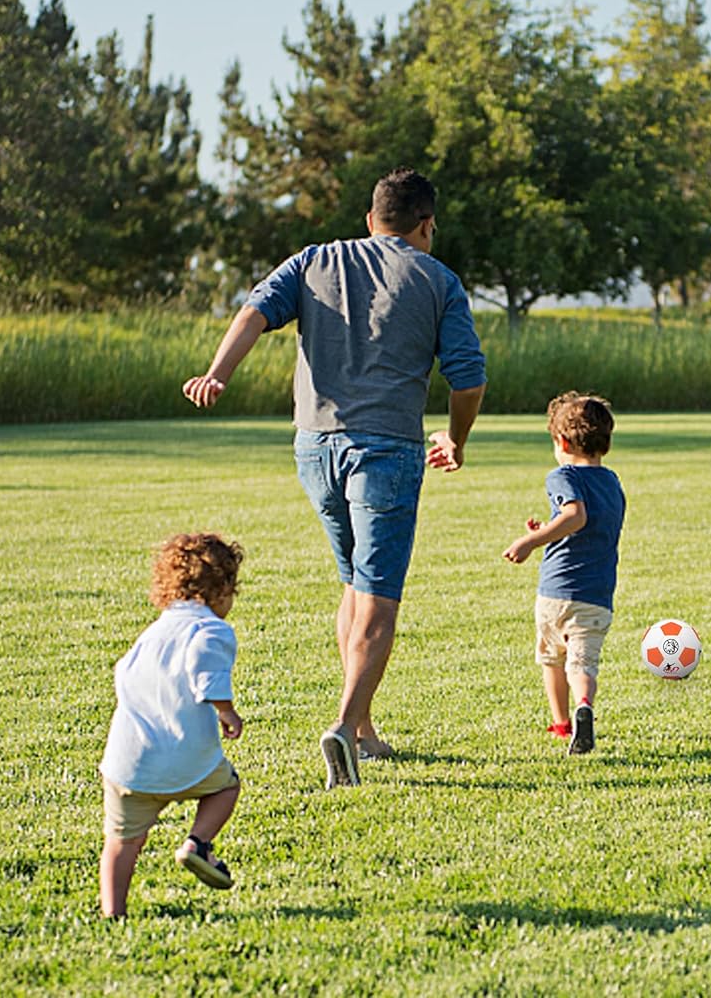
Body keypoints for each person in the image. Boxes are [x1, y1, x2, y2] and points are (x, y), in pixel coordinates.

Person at [183, 167, 486, 789]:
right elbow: (468, 378)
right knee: (378, 594)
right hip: (387, 450)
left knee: (352, 583)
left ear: (371, 220)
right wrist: (455, 439)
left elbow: (253, 313)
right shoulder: (438, 280)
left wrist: (217, 374)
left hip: (314, 447)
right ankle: (345, 728)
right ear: (427, 224)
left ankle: (364, 729)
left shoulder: (314, 260)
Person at [98, 533, 245, 918]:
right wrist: (226, 710)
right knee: (226, 788)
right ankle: (198, 843)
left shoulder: (152, 634)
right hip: (187, 758)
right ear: (222, 590)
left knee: (121, 841)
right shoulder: (211, 629)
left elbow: (123, 674)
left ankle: (113, 913)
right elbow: (204, 665)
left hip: (129, 763)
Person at [502, 392, 626, 755]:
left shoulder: (562, 475)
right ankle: (583, 705)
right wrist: (549, 528)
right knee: (582, 662)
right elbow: (589, 525)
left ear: (562, 442)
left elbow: (576, 517)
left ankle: (561, 724)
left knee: (552, 658)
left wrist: (530, 540)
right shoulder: (612, 482)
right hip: (596, 596)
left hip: (556, 593)